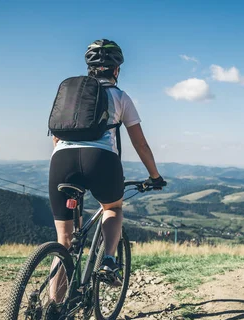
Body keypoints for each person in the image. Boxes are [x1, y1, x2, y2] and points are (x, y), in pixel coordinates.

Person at [48, 39, 165, 306]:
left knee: (64, 241)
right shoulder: (120, 97)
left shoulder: (69, 96)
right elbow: (140, 143)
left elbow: (56, 137)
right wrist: (155, 176)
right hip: (101, 159)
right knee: (113, 208)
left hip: (61, 161)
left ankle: (53, 309)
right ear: (116, 70)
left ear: (89, 68)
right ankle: (109, 260)